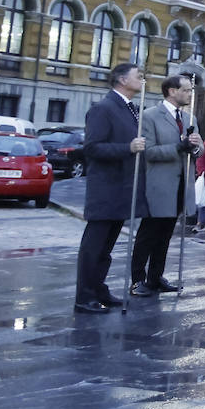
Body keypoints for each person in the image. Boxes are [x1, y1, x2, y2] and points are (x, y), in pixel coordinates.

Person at [74, 63, 148, 314]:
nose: (142, 79)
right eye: (138, 76)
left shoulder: (131, 109)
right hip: (105, 189)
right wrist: (128, 147)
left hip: (122, 188)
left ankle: (98, 288)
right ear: (121, 79)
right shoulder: (103, 108)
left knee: (106, 247)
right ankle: (84, 295)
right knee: (94, 247)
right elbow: (92, 148)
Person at [131, 74, 203, 297]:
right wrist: (178, 147)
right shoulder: (151, 116)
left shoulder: (190, 118)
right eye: (187, 90)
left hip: (182, 185)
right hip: (160, 186)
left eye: (191, 90)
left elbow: (199, 149)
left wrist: (196, 148)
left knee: (165, 235)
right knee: (148, 234)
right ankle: (137, 280)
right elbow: (149, 152)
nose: (190, 94)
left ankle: (155, 277)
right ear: (172, 91)